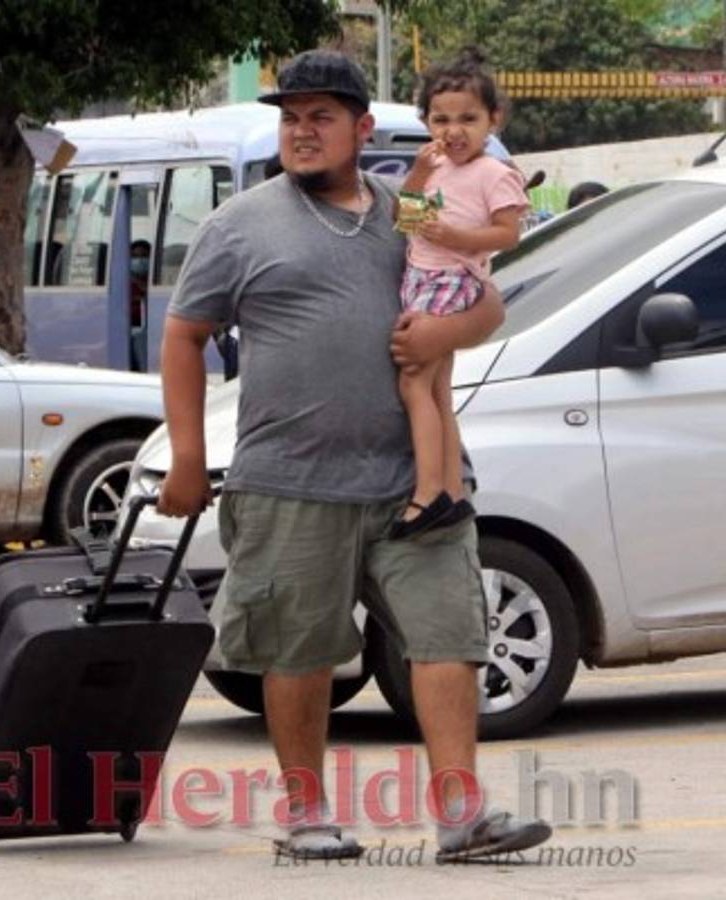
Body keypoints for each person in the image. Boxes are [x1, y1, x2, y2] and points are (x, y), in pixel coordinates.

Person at [157, 49, 551, 862]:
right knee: (297, 650)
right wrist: (188, 456)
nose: (301, 132)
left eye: (321, 117)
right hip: (291, 482)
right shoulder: (240, 225)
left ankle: (461, 815)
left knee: (448, 635)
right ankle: (305, 813)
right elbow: (184, 335)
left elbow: (483, 296)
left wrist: (451, 330)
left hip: (418, 481)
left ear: (361, 129)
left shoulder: (405, 208)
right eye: (290, 118)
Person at [391, 49, 529, 538]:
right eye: (441, 119)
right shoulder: (436, 169)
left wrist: (455, 238)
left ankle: (426, 494)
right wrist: (418, 175)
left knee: (414, 385)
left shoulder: (494, 173)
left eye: (468, 119)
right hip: (424, 277)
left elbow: (507, 233)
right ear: (426, 121)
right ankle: (448, 490)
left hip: (451, 282)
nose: (454, 130)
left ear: (494, 119)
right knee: (436, 390)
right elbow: (404, 219)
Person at [129, 239, 152, 371]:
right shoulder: (125, 284)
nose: (140, 261)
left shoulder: (154, 282)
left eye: (144, 256)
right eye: (135, 257)